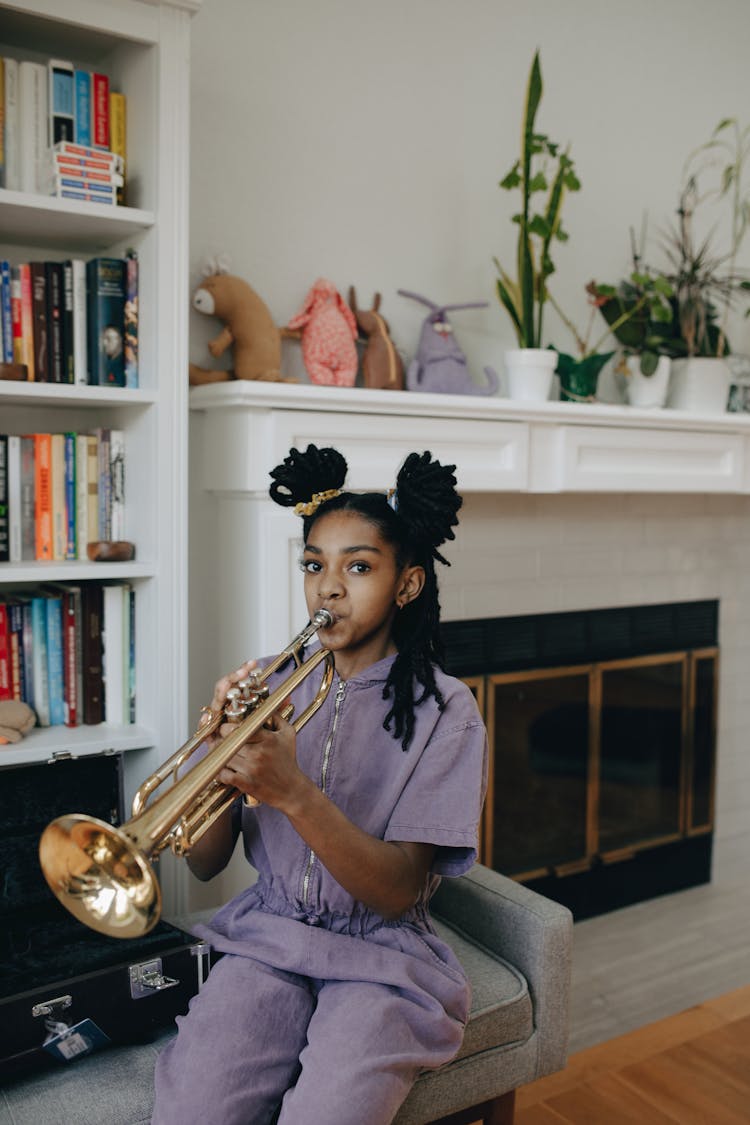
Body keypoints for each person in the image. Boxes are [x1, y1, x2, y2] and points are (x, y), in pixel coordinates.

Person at [152, 444, 488, 1125]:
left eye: (358, 566)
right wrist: (219, 754)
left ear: (408, 585)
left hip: (383, 955)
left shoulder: (448, 712)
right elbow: (208, 858)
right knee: (192, 1105)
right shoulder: (272, 684)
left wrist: (293, 792)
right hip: (269, 935)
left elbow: (397, 889)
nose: (328, 587)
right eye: (314, 564)